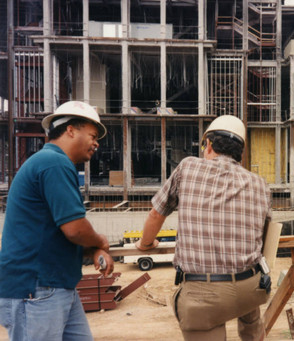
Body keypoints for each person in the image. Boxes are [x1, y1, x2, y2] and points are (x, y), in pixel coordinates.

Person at [135, 115, 272, 341]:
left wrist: (146, 243)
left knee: (207, 321)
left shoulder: (188, 167)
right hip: (250, 288)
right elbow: (264, 234)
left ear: (207, 145)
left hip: (204, 296)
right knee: (249, 311)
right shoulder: (260, 184)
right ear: (241, 153)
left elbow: (156, 214)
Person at [0, 101, 114, 341]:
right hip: (36, 288)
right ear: (70, 129)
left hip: (54, 286)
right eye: (93, 135)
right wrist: (100, 241)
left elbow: (56, 233)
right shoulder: (54, 163)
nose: (97, 143)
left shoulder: (52, 163)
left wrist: (92, 249)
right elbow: (74, 229)